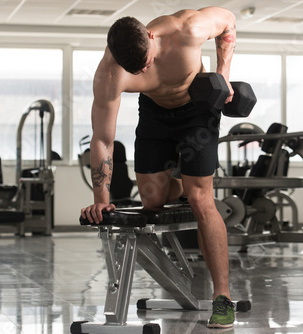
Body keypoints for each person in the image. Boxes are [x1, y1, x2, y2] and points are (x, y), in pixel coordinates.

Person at [80, 6, 237, 328]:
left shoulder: (188, 29)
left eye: (146, 61)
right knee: (152, 201)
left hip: (198, 110)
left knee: (199, 198)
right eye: (134, 69)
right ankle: (181, 178)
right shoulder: (110, 72)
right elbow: (102, 140)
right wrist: (101, 197)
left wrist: (224, 73)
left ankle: (223, 297)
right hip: (154, 114)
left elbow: (228, 22)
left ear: (151, 36)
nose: (143, 70)